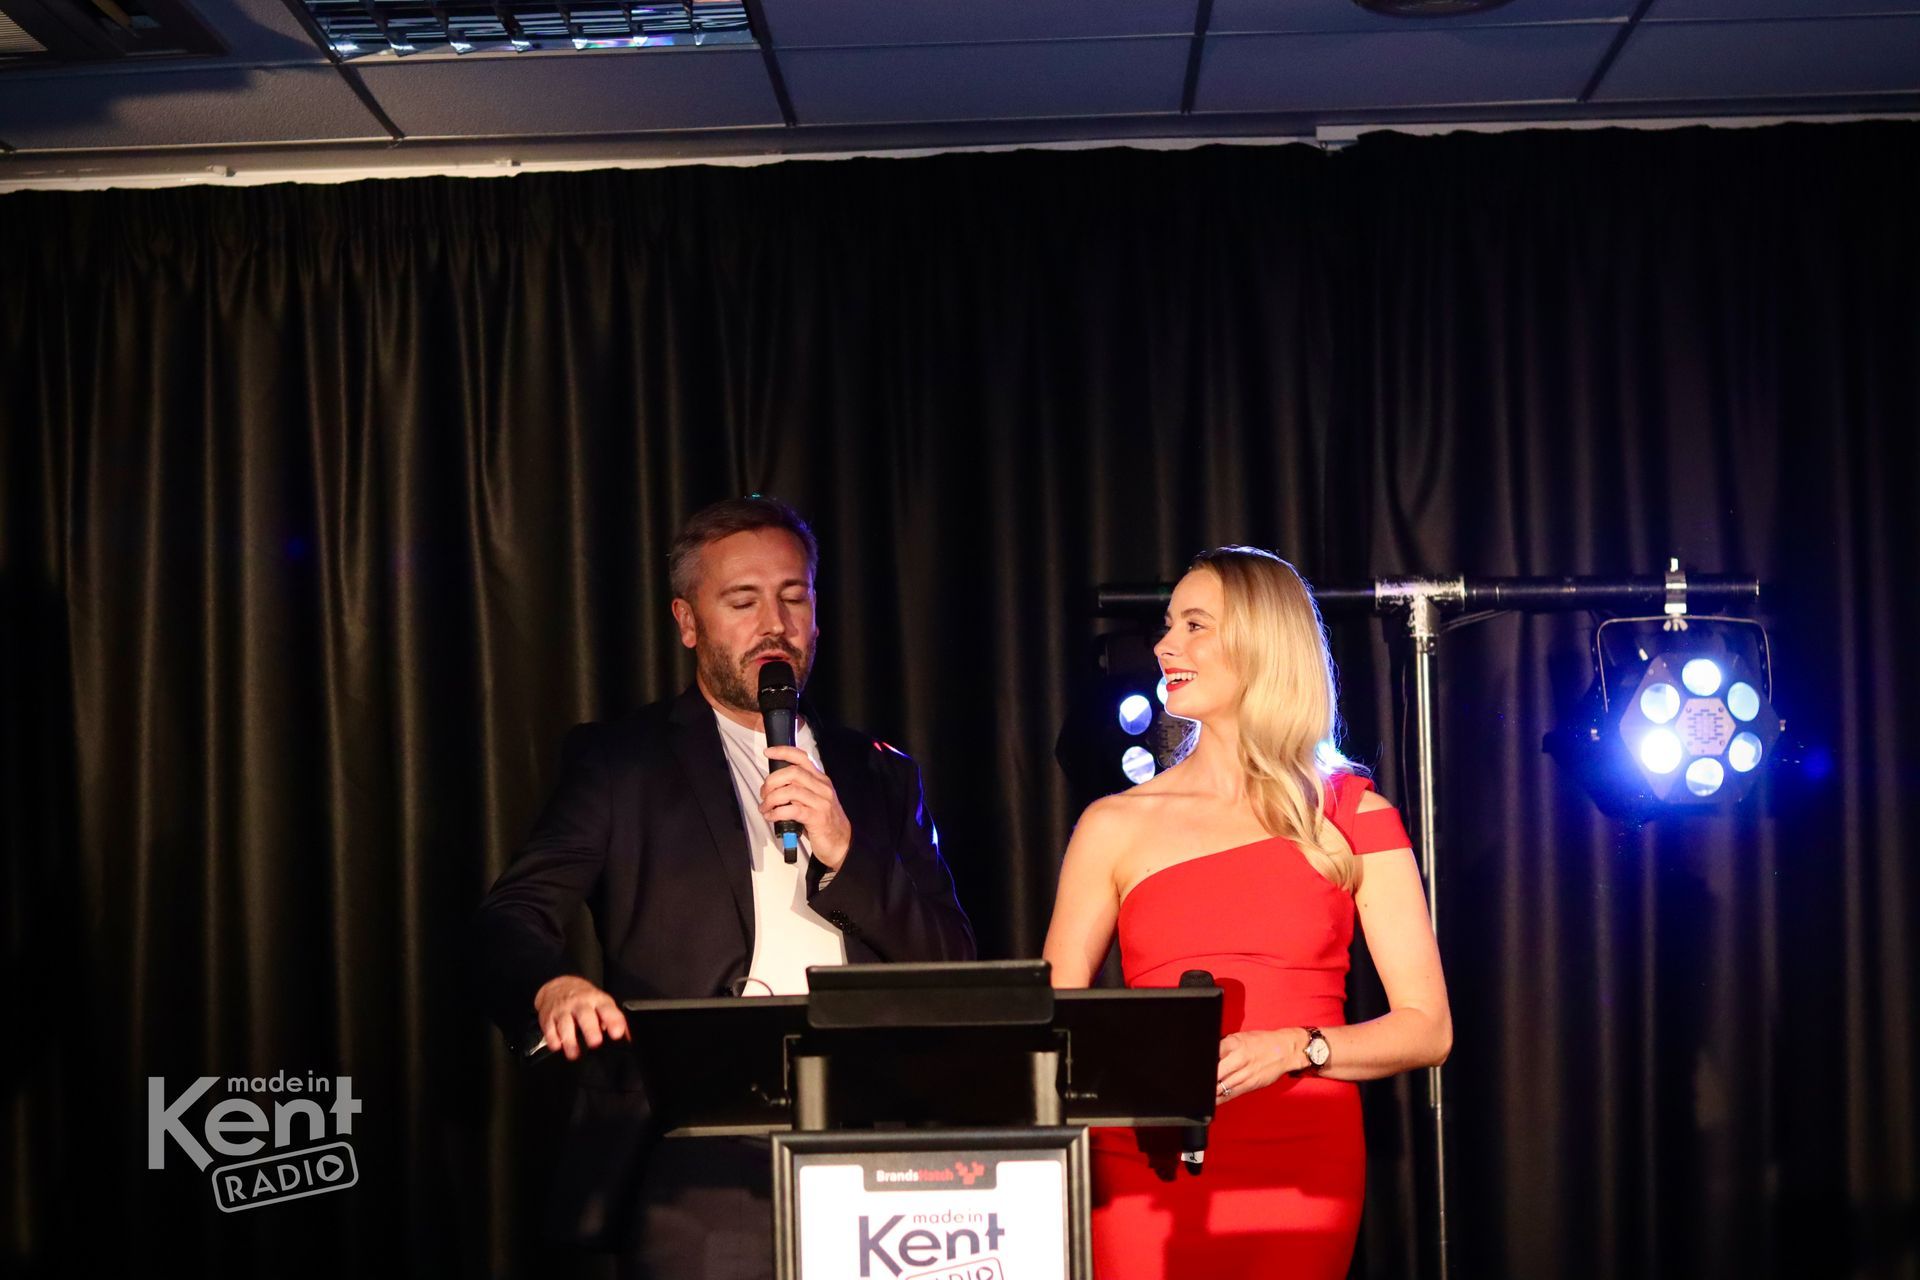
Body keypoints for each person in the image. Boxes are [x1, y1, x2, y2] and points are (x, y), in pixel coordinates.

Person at [473, 495, 975, 1280]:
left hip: (878, 1136)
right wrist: (551, 985)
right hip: (708, 1145)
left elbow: (953, 965)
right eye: (743, 601)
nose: (775, 624)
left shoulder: (880, 771)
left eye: (794, 597)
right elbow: (512, 914)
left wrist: (848, 852)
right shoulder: (622, 763)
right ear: (688, 621)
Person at [1042, 546, 1450, 1279]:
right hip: (1142, 1153)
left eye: (1195, 625)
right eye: (1169, 626)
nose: (1165, 646)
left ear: (1263, 641)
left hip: (1302, 1153)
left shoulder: (1353, 814)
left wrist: (1297, 1048)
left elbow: (1428, 1028)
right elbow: (1049, 1025)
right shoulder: (1113, 824)